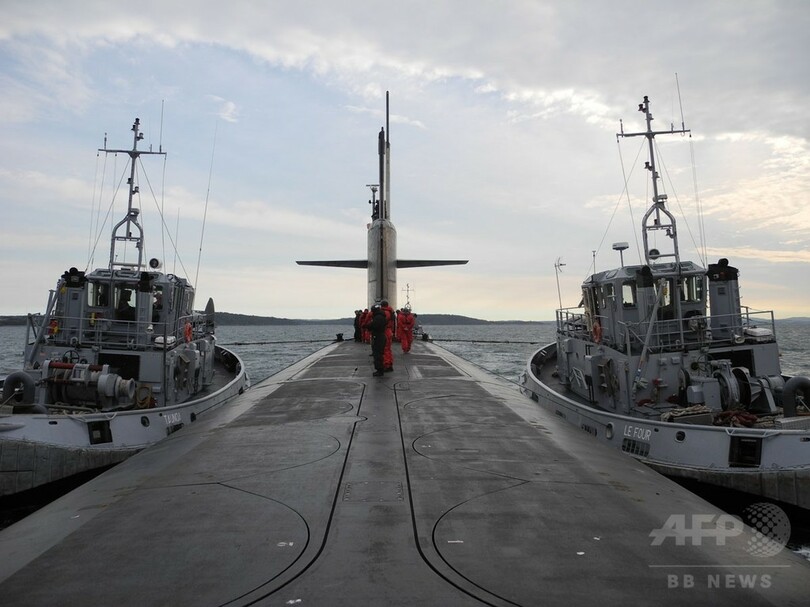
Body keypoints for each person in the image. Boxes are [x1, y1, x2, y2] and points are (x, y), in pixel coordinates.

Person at [365, 305, 388, 376]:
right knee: (380, 353)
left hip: (378, 336)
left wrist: (368, 326)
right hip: (382, 336)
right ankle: (381, 368)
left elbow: (374, 325)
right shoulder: (382, 316)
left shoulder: (377, 317)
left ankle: (379, 370)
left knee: (377, 353)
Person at [380, 299, 395, 371]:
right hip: (389, 331)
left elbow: (383, 322)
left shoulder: (384, 312)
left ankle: (387, 365)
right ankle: (389, 363)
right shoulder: (390, 312)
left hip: (385, 331)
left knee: (385, 349)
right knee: (388, 349)